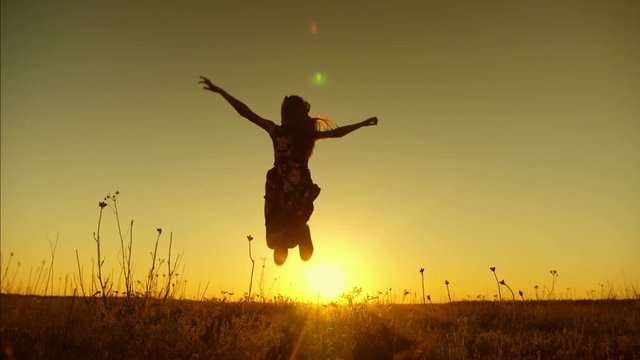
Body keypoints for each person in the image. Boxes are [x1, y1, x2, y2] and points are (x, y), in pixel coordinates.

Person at [199, 76, 378, 265]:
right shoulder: (306, 135)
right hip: (298, 186)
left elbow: (246, 113)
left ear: (285, 113)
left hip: (279, 185)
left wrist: (221, 92)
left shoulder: (276, 131)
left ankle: (290, 239)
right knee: (291, 227)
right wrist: (362, 124)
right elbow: (337, 133)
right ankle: (297, 236)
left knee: (274, 237)